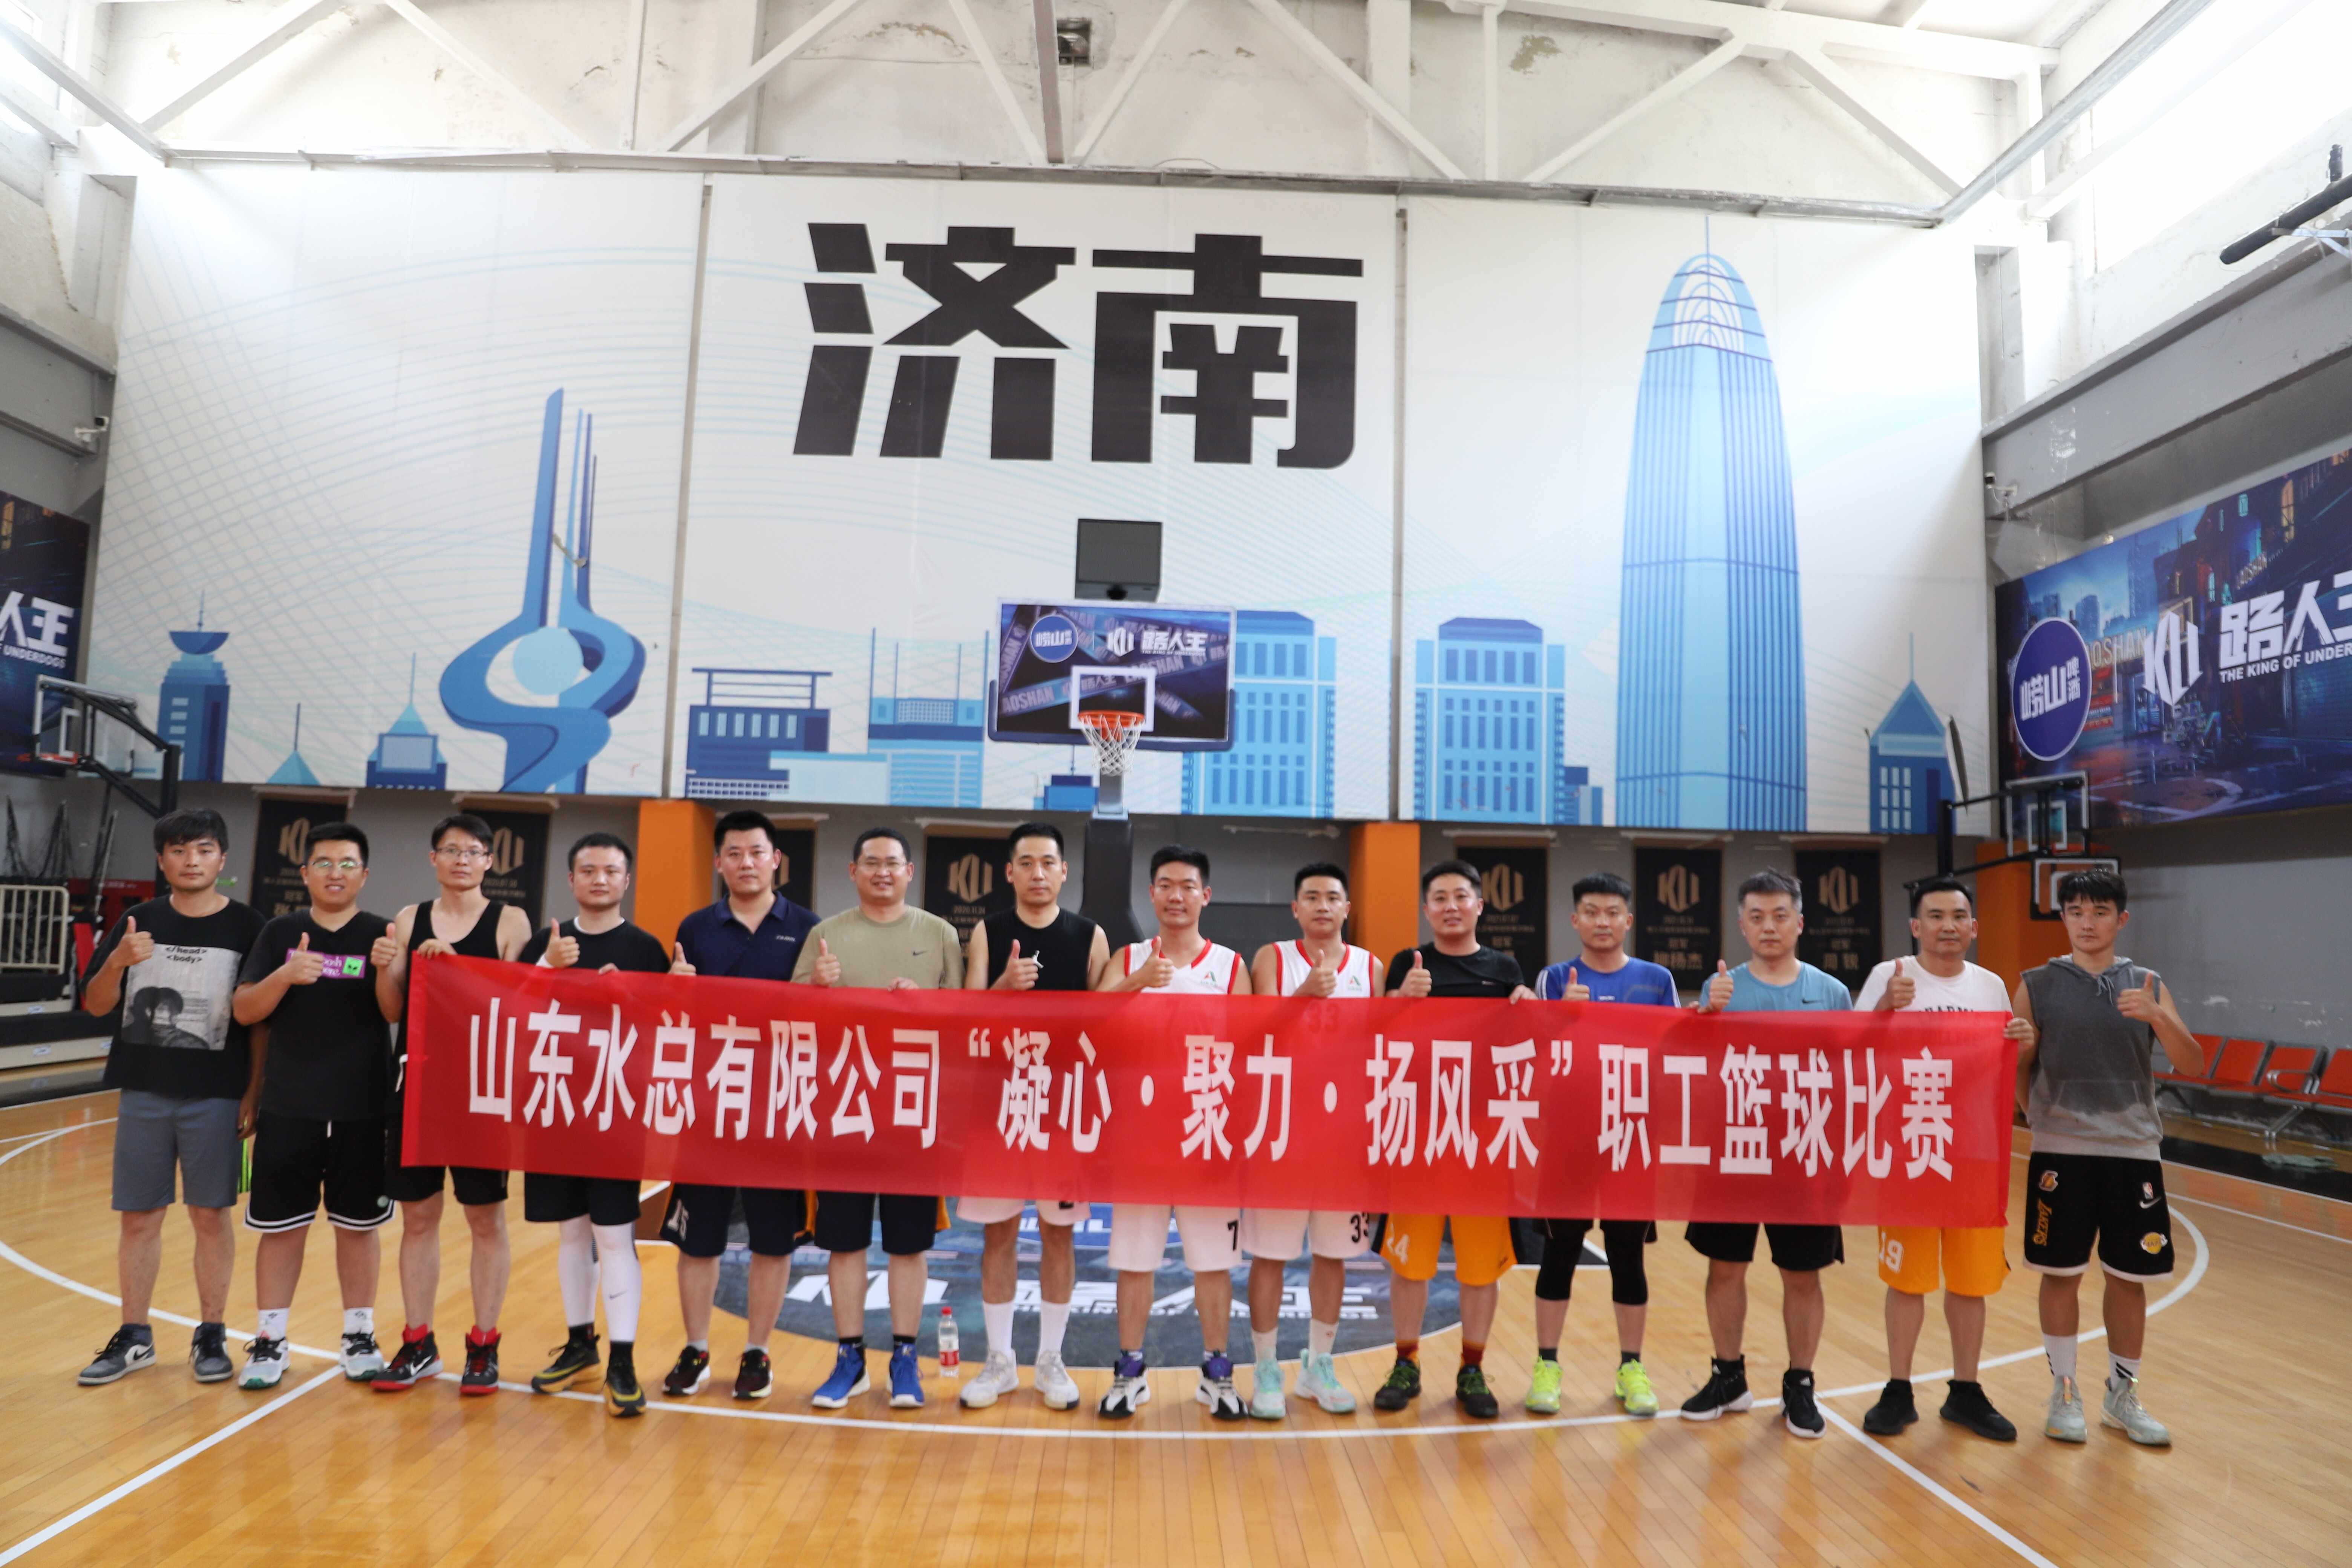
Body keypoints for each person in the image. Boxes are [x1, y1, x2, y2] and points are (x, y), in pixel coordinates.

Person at [2014, 867, 2207, 1448]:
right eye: (2076, 911)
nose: (2087, 922)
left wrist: (2159, 1016)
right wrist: (2043, 1118)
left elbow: (2193, 1063)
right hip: (2061, 1153)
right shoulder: (2036, 984)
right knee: (2061, 1275)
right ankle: (2065, 1390)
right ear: (2064, 917)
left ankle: (2123, 1395)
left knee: (2129, 1279)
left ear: (2121, 919)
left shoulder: (2148, 983)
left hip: (2133, 1152)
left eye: (2099, 912)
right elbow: (2020, 1068)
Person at [76, 809, 265, 1388]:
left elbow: (259, 1020)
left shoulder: (249, 926)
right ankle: (135, 1335)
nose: (191, 861)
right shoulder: (138, 921)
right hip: (143, 1091)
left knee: (211, 1216)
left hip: (217, 1095)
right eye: (179, 851)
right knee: (139, 1218)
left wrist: (254, 1092)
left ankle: (212, 1333)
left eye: (203, 850)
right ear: (162, 861)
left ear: (222, 858)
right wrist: (117, 960)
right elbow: (97, 1004)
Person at [1856, 877, 2035, 1443]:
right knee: (1907, 1279)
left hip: (1975, 1154)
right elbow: (1850, 1051)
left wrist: (2023, 1041)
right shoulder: (1890, 975)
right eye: (1935, 916)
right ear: (1916, 926)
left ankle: (1966, 1391)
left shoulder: (1990, 986)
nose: (1948, 926)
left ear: (1974, 927)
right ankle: (1898, 1388)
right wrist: (1884, 1008)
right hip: (1909, 1151)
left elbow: (2004, 1061)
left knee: (1971, 1280)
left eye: (1958, 916)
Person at [796, 827, 963, 1410]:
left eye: (894, 863)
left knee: (908, 1243)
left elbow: (965, 1018)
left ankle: (904, 1358)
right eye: (872, 862)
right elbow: (788, 1013)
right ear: (853, 871)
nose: (883, 871)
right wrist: (816, 986)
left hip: (913, 1108)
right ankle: (849, 1358)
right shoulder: (826, 934)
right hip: (844, 1105)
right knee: (843, 1241)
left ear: (910, 872)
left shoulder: (939, 934)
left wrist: (928, 1003)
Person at [1681, 868, 1851, 1438]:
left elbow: (1852, 1077)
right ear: (1741, 925)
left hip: (1804, 1154)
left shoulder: (1832, 993)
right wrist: (1704, 1016)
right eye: (1757, 917)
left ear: (1800, 922)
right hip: (1733, 1150)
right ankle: (1728, 1377)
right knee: (1725, 1268)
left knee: (1801, 1274)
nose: (1769, 927)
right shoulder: (1721, 990)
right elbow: (1692, 1067)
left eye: (1780, 915)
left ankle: (1800, 1384)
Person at [227, 823, 397, 1390]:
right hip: (289, 1106)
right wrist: (285, 974)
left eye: (347, 864)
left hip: (363, 1109)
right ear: (305, 874)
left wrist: (386, 968)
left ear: (364, 875)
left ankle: (359, 1335)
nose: (335, 873)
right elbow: (246, 1011)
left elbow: (393, 1014)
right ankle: (270, 1340)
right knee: (282, 1229)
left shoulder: (382, 933)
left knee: (359, 1228)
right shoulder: (280, 932)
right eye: (324, 863)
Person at [371, 813, 534, 1394]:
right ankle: (418, 1342)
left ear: (489, 861)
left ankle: (483, 1344)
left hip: (481, 1090)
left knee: (484, 1217)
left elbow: (518, 1006)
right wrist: (387, 968)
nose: (462, 860)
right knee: (417, 1217)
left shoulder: (511, 921)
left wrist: (457, 967)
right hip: (416, 1084)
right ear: (433, 859)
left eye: (473, 852)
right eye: (451, 850)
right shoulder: (408, 919)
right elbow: (392, 1009)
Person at [660, 810, 820, 1403]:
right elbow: (676, 1018)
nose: (746, 863)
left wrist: (823, 990)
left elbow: (820, 1021)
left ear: (776, 859)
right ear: (719, 862)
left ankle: (758, 1351)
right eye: (734, 853)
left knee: (773, 1238)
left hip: (778, 1103)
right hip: (709, 1103)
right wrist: (675, 990)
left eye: (757, 852)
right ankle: (696, 1349)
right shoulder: (696, 927)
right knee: (698, 1238)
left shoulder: (809, 928)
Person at [1093, 845, 1253, 1421]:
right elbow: (1089, 1018)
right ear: (1152, 894)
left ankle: (1217, 1373)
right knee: (1135, 1261)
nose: (1176, 896)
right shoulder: (1129, 957)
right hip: (1141, 1135)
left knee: (1212, 1262)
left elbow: (1249, 1047)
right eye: (1165, 885)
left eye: (1187, 886)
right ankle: (1130, 1371)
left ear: (1205, 896)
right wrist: (1138, 981)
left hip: (1207, 1131)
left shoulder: (1230, 967)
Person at [516, 832, 672, 1419]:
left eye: (611, 870)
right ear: (572, 879)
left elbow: (667, 1027)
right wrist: (545, 967)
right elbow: (507, 1009)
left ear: (626, 880)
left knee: (613, 1235)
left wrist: (631, 995)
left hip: (616, 1112)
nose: (600, 879)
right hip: (556, 1106)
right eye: (588, 870)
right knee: (571, 1233)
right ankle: (581, 1343)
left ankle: (623, 1360)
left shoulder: (646, 948)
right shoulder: (546, 942)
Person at [1375, 859, 1534, 1421]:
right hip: (1418, 1133)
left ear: (1479, 906)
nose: (1450, 906)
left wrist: (1530, 1009)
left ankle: (1473, 1367)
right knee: (1410, 1264)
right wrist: (1401, 999)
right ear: (1427, 909)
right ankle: (1406, 1362)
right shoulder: (1407, 963)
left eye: (1460, 896)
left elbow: (1523, 1045)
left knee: (1479, 1266)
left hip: (1483, 1137)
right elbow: (1375, 1036)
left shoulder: (1505, 968)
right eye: (1439, 897)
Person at [957, 822, 1107, 1414]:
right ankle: (1000, 1361)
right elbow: (968, 1021)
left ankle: (1051, 1358)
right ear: (1010, 873)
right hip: (999, 1107)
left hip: (1063, 1108)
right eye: (1027, 863)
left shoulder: (1090, 936)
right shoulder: (989, 932)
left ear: (1064, 872)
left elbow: (1107, 1023)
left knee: (1057, 1234)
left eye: (1049, 862)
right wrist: (1003, 987)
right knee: (998, 1234)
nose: (1038, 873)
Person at [1524, 872, 1677, 1418]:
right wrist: (1559, 1017)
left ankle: (1631, 1368)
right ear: (1575, 920)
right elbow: (1535, 1054)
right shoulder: (1553, 978)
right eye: (1591, 911)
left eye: (1613, 912)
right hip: (1568, 1141)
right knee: (1560, 1254)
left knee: (1628, 1257)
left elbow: (1675, 1053)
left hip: (1631, 1137)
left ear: (1628, 920)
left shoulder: (1657, 980)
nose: (1603, 921)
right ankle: (1547, 1367)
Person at [1239, 861, 1383, 1419]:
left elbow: (1383, 1046)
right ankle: (1267, 1366)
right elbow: (1252, 1033)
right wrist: (1302, 995)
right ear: (1295, 908)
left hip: (1343, 1134)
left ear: (1347, 908)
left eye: (1332, 897)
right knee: (1271, 1255)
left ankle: (1319, 1364)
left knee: (1333, 1254)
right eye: (1312, 897)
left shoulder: (1370, 968)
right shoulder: (1272, 959)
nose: (1323, 906)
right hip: (1281, 1130)